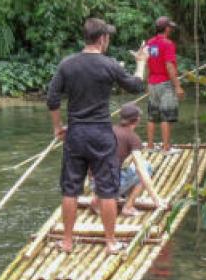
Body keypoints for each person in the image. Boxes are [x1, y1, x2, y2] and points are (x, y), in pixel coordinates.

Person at [47, 18, 147, 254]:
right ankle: (111, 243)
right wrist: (141, 63)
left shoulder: (67, 64)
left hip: (76, 134)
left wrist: (57, 127)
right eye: (108, 37)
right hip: (102, 134)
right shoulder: (109, 64)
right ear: (102, 39)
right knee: (106, 189)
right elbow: (135, 86)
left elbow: (52, 99)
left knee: (70, 189)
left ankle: (67, 242)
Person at [89, 103, 164, 217]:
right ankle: (128, 207)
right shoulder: (132, 137)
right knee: (146, 167)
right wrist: (156, 199)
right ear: (137, 120)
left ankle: (97, 198)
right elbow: (141, 169)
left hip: (95, 184)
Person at [145, 16, 184, 154]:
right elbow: (169, 66)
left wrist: (147, 82)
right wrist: (178, 86)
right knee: (166, 116)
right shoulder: (168, 44)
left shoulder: (149, 43)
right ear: (166, 28)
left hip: (152, 83)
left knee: (152, 116)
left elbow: (147, 64)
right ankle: (166, 148)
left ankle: (150, 146)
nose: (171, 30)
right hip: (165, 84)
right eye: (170, 27)